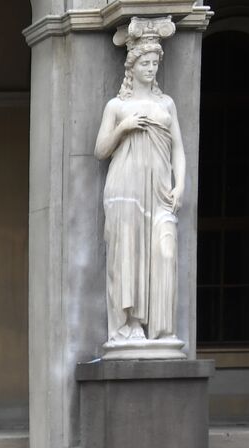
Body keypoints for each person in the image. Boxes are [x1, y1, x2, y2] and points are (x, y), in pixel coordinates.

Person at [93, 22, 186, 345]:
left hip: (160, 191)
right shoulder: (117, 107)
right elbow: (100, 150)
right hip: (124, 190)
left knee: (165, 249)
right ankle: (128, 326)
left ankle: (162, 331)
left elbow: (179, 149)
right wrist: (124, 128)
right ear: (131, 67)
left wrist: (181, 185)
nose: (150, 68)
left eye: (154, 63)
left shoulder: (167, 104)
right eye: (144, 63)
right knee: (126, 256)